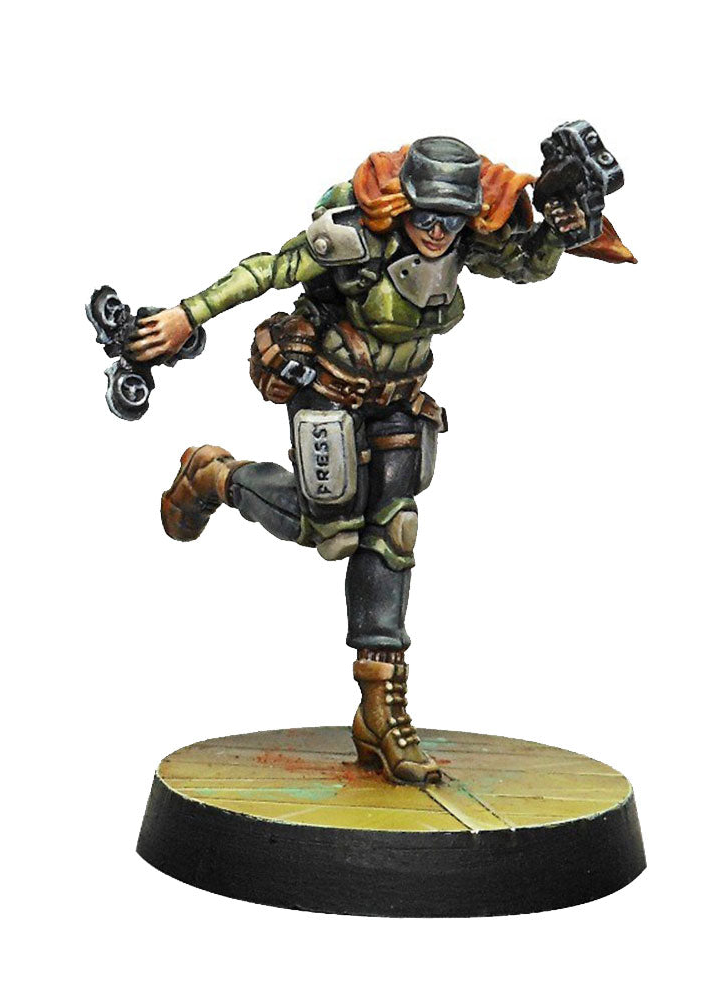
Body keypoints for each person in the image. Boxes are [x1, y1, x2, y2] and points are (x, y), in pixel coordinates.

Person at [127, 137, 634, 784]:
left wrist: (562, 228)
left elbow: (526, 265)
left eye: (451, 218)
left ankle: (381, 710)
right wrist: (185, 315)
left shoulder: (462, 244)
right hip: (329, 388)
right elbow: (266, 271)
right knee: (326, 528)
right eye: (426, 215)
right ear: (404, 205)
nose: (436, 231)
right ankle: (216, 475)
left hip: (400, 399)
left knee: (394, 534)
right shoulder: (355, 241)